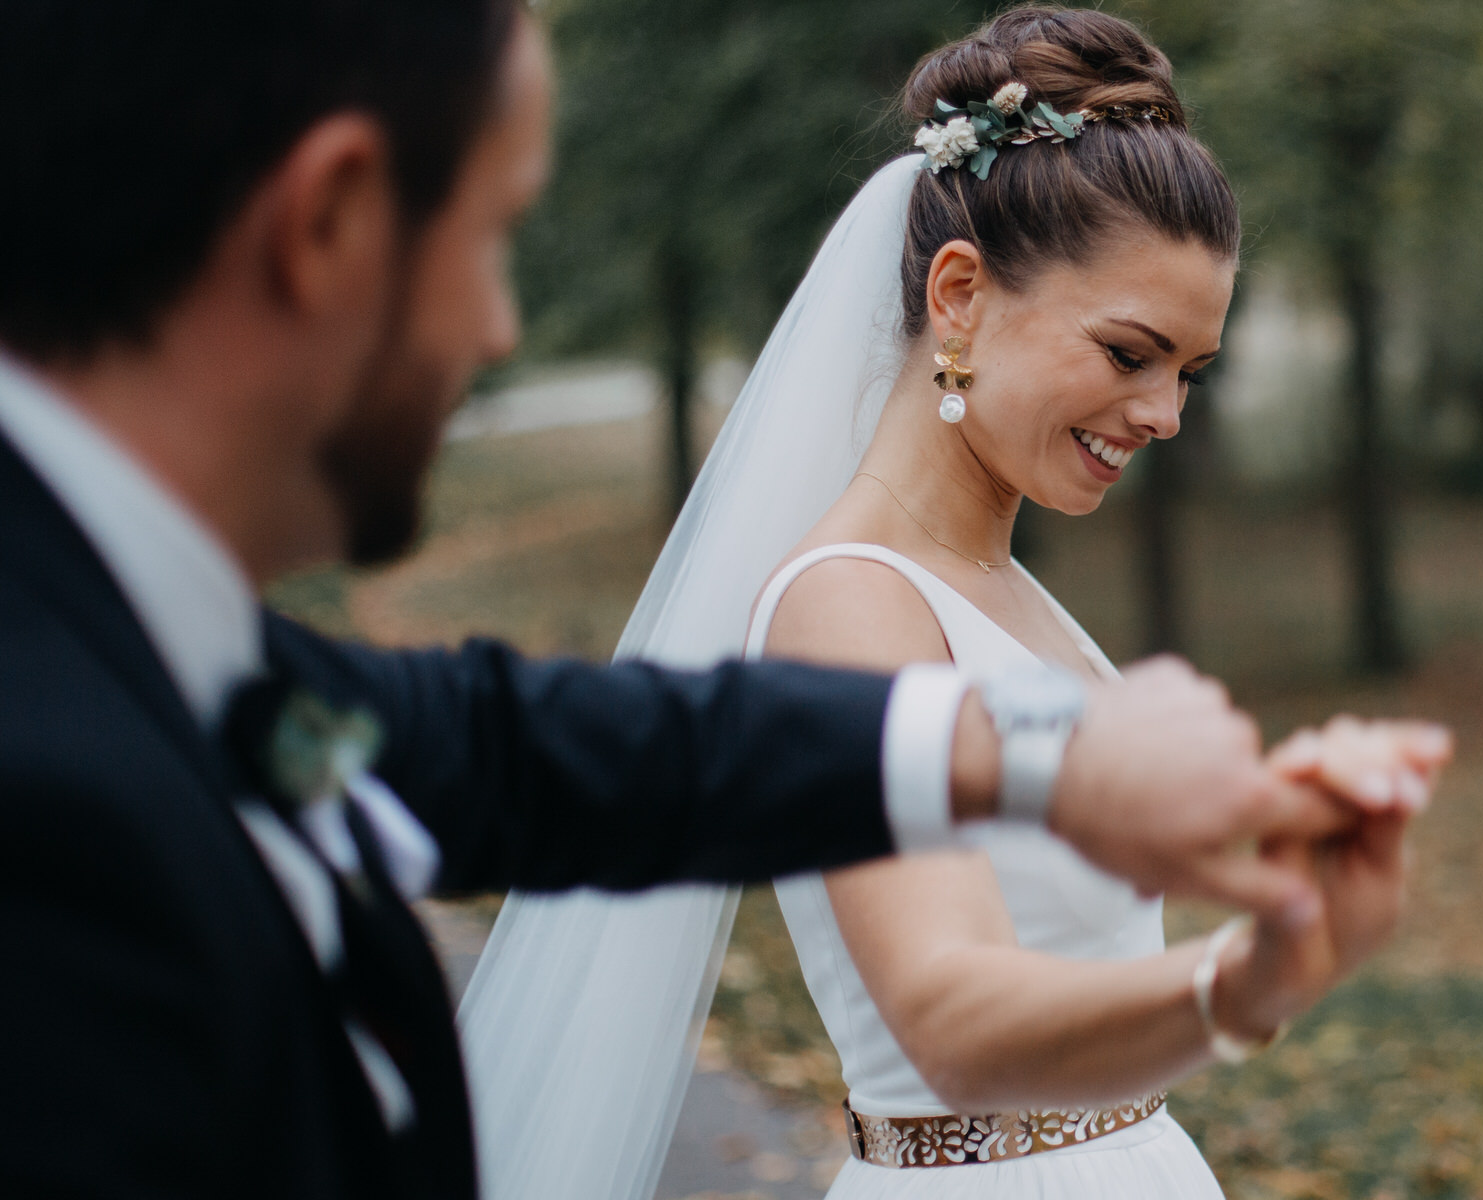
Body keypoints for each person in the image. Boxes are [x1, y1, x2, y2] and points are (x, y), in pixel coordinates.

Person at [0, 3, 1401, 1198]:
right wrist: (1236, 987)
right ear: (328, 221)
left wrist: (1051, 756)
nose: (501, 330)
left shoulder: (220, 679)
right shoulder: (52, 764)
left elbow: (501, 748)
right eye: (491, 240)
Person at [462, 8, 1451, 1200]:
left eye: (1189, 372)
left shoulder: (1006, 594)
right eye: (1131, 352)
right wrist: (1245, 980)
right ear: (961, 294)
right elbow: (951, 1011)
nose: (1165, 415)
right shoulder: (845, 605)